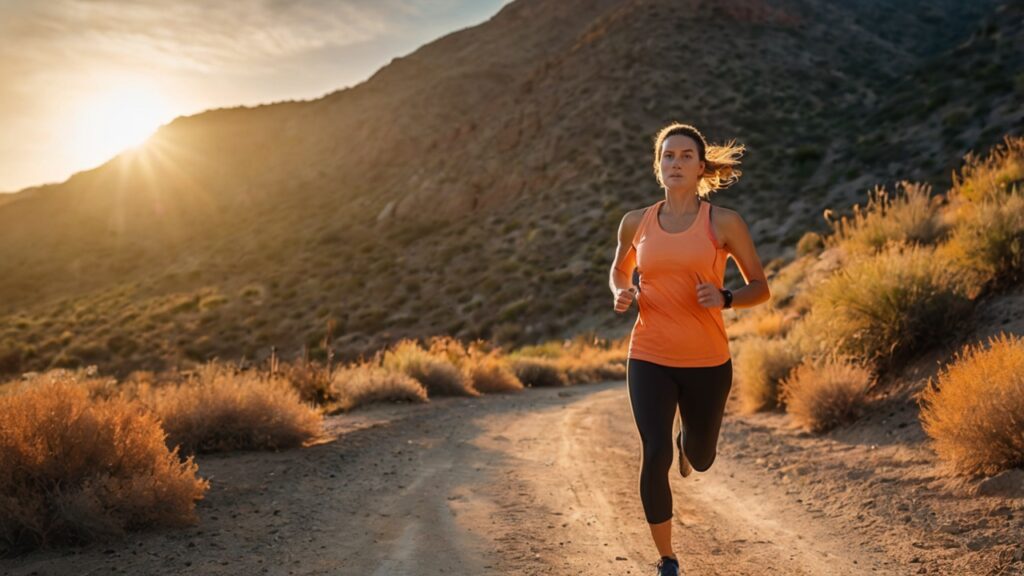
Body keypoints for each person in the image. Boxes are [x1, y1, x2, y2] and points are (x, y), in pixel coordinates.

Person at [608, 122, 770, 576]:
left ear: (700, 167)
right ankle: (667, 559)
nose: (675, 163)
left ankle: (689, 443)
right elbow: (619, 270)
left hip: (707, 361)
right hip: (649, 353)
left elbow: (761, 287)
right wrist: (621, 291)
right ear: (657, 166)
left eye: (685, 156)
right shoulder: (635, 222)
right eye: (667, 156)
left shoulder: (723, 222)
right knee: (654, 451)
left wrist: (726, 297)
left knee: (700, 457)